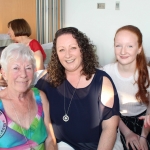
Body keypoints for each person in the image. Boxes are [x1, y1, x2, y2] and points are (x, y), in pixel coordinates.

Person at [35, 27, 123, 150]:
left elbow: (109, 128)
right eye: (61, 50)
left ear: (83, 49)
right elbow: (26, 96)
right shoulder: (47, 80)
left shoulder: (101, 81)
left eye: (73, 48)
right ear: (56, 54)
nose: (67, 55)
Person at [0, 43, 56, 149]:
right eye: (16, 68)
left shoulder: (40, 97)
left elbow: (50, 140)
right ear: (4, 73)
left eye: (28, 68)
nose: (23, 74)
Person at [103, 25, 150, 150]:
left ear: (139, 49)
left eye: (130, 46)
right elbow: (108, 109)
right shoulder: (106, 72)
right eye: (118, 45)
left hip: (144, 122)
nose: (123, 51)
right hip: (116, 120)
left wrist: (143, 136)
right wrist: (127, 133)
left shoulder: (148, 74)